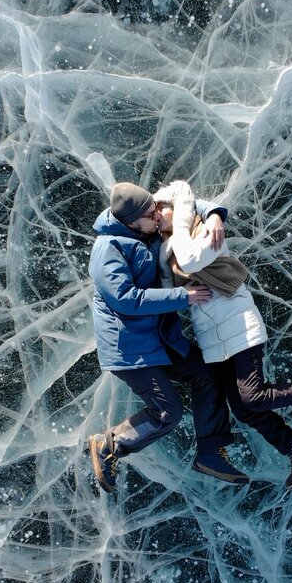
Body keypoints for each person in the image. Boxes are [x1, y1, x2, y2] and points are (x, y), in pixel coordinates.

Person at [153, 180, 292, 490]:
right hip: (213, 338)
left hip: (238, 325)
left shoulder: (204, 233)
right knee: (244, 408)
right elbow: (169, 289)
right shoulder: (170, 247)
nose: (157, 215)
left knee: (253, 396)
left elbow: (190, 260)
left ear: (179, 209)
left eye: (162, 208)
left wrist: (203, 213)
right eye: (153, 212)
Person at [86, 181, 250, 493]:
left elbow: (182, 197)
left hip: (159, 339)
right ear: (133, 222)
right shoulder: (107, 249)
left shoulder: (143, 228)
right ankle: (112, 444)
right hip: (130, 349)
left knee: (207, 372)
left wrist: (214, 215)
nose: (159, 215)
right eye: (151, 213)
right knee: (166, 412)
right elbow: (126, 299)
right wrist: (183, 296)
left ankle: (211, 453)